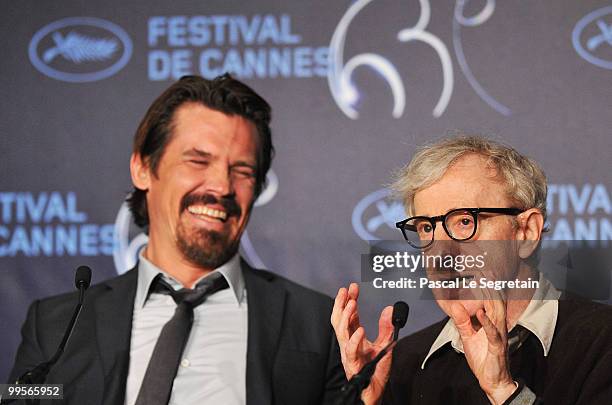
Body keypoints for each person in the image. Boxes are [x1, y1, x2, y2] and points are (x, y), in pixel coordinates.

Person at [9, 74, 345, 405]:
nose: (221, 186)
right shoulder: (54, 327)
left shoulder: (317, 323)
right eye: (198, 161)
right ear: (142, 168)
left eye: (242, 171)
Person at [331, 136, 612, 404]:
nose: (441, 253)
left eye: (465, 222)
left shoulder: (600, 342)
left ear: (526, 232)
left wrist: (503, 391)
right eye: (427, 228)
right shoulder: (404, 362)